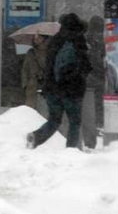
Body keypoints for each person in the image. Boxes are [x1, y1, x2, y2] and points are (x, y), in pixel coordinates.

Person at [27, 13, 92, 149]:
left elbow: (49, 65)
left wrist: (48, 85)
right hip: (72, 90)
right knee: (74, 122)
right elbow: (85, 66)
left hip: (52, 89)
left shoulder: (54, 41)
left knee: (54, 120)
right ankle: (70, 150)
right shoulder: (78, 41)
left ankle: (36, 136)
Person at [21, 34, 49, 110]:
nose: (35, 39)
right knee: (30, 110)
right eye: (34, 37)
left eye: (39, 37)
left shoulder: (50, 52)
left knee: (45, 110)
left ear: (44, 39)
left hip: (46, 85)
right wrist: (25, 85)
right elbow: (25, 69)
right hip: (32, 86)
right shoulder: (31, 52)